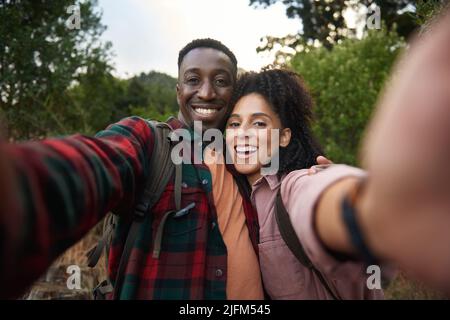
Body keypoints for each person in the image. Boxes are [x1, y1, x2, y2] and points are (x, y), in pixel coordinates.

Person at [0, 38, 329, 300]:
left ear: (233, 94)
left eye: (221, 81)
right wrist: (21, 187)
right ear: (178, 91)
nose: (206, 92)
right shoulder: (149, 142)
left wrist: (318, 180)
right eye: (193, 80)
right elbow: (94, 163)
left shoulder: (244, 162)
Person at [218, 69, 386, 299]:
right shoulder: (233, 196)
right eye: (234, 124)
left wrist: (357, 203)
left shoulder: (294, 184)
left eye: (258, 123)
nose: (242, 134)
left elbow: (318, 196)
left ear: (284, 137)